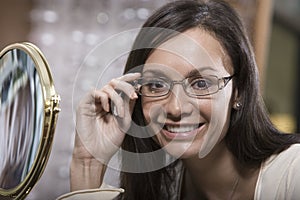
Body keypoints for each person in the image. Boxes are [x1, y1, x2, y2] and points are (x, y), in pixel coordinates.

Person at [62, 0, 300, 199]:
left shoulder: (293, 175)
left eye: (201, 84)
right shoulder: (161, 187)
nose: (175, 107)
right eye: (156, 85)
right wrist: (89, 162)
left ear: (239, 91)